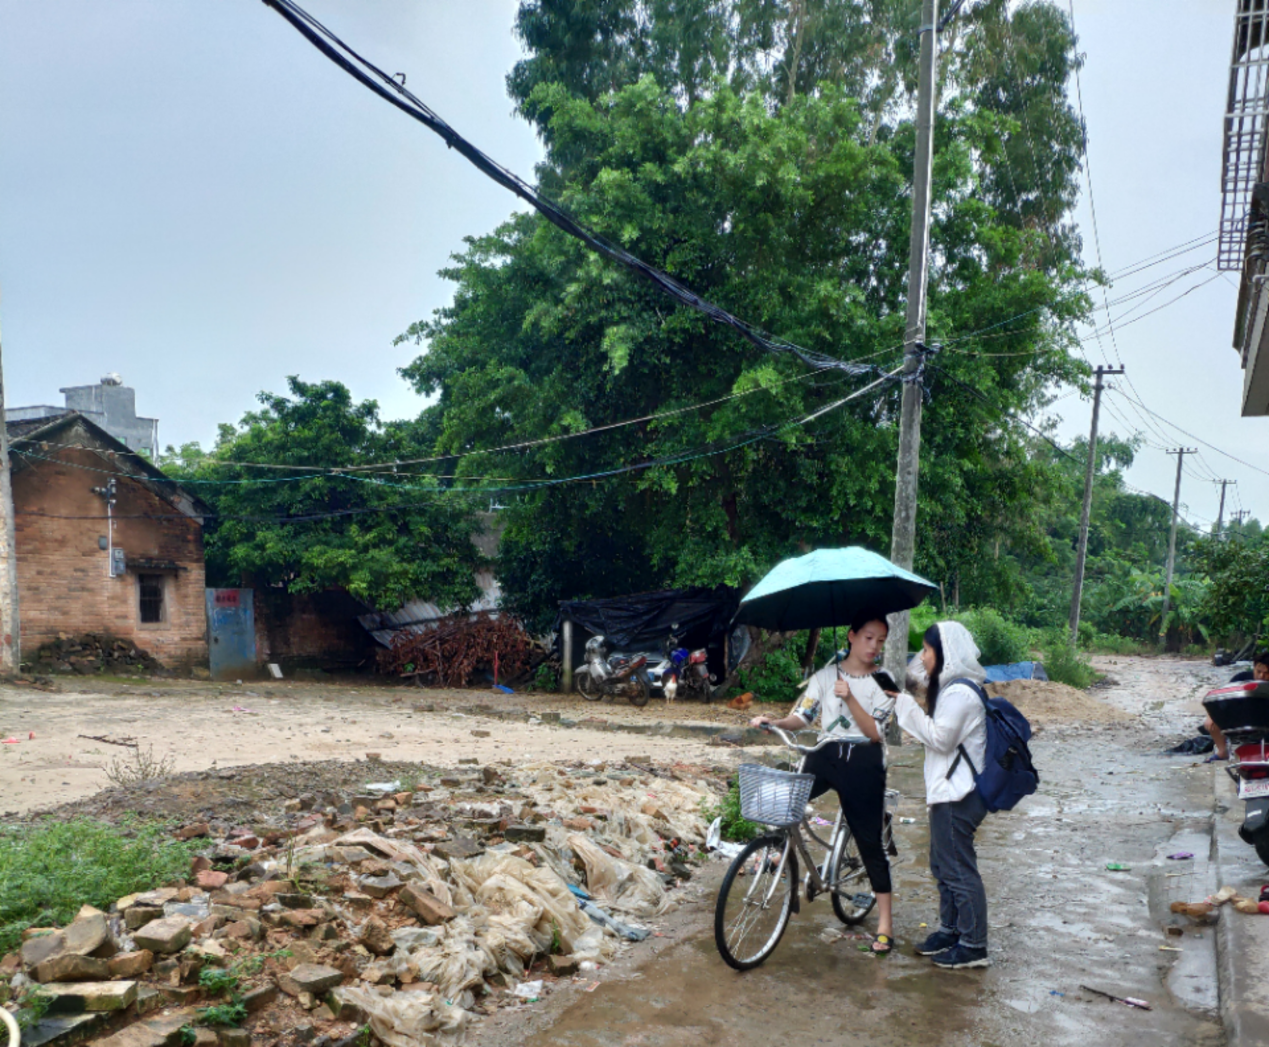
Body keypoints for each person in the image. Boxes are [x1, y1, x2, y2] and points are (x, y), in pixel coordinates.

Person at [750, 616, 898, 954]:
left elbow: (877, 733)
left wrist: (850, 699)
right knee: (786, 801)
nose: (874, 646)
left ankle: (885, 924)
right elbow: (803, 716)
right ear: (851, 636)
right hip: (825, 753)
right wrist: (774, 721)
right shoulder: (825, 675)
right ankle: (781, 856)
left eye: (881, 640)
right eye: (868, 638)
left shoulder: (885, 682)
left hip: (864, 761)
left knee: (869, 843)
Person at [892, 621, 991, 970]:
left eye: (928, 650)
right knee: (943, 866)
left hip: (958, 795)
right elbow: (916, 676)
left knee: (958, 870)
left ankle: (974, 944)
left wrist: (906, 707)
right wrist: (903, 689)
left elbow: (940, 738)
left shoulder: (960, 694)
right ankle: (951, 930)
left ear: (945, 653)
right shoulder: (951, 687)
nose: (922, 656)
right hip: (949, 792)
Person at [1206, 651, 1269, 760]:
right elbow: (1222, 697)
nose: (1261, 676)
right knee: (1210, 722)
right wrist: (1211, 715)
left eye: (1267, 673)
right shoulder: (1242, 678)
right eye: (1258, 671)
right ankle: (1222, 752)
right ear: (1253, 668)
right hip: (1242, 719)